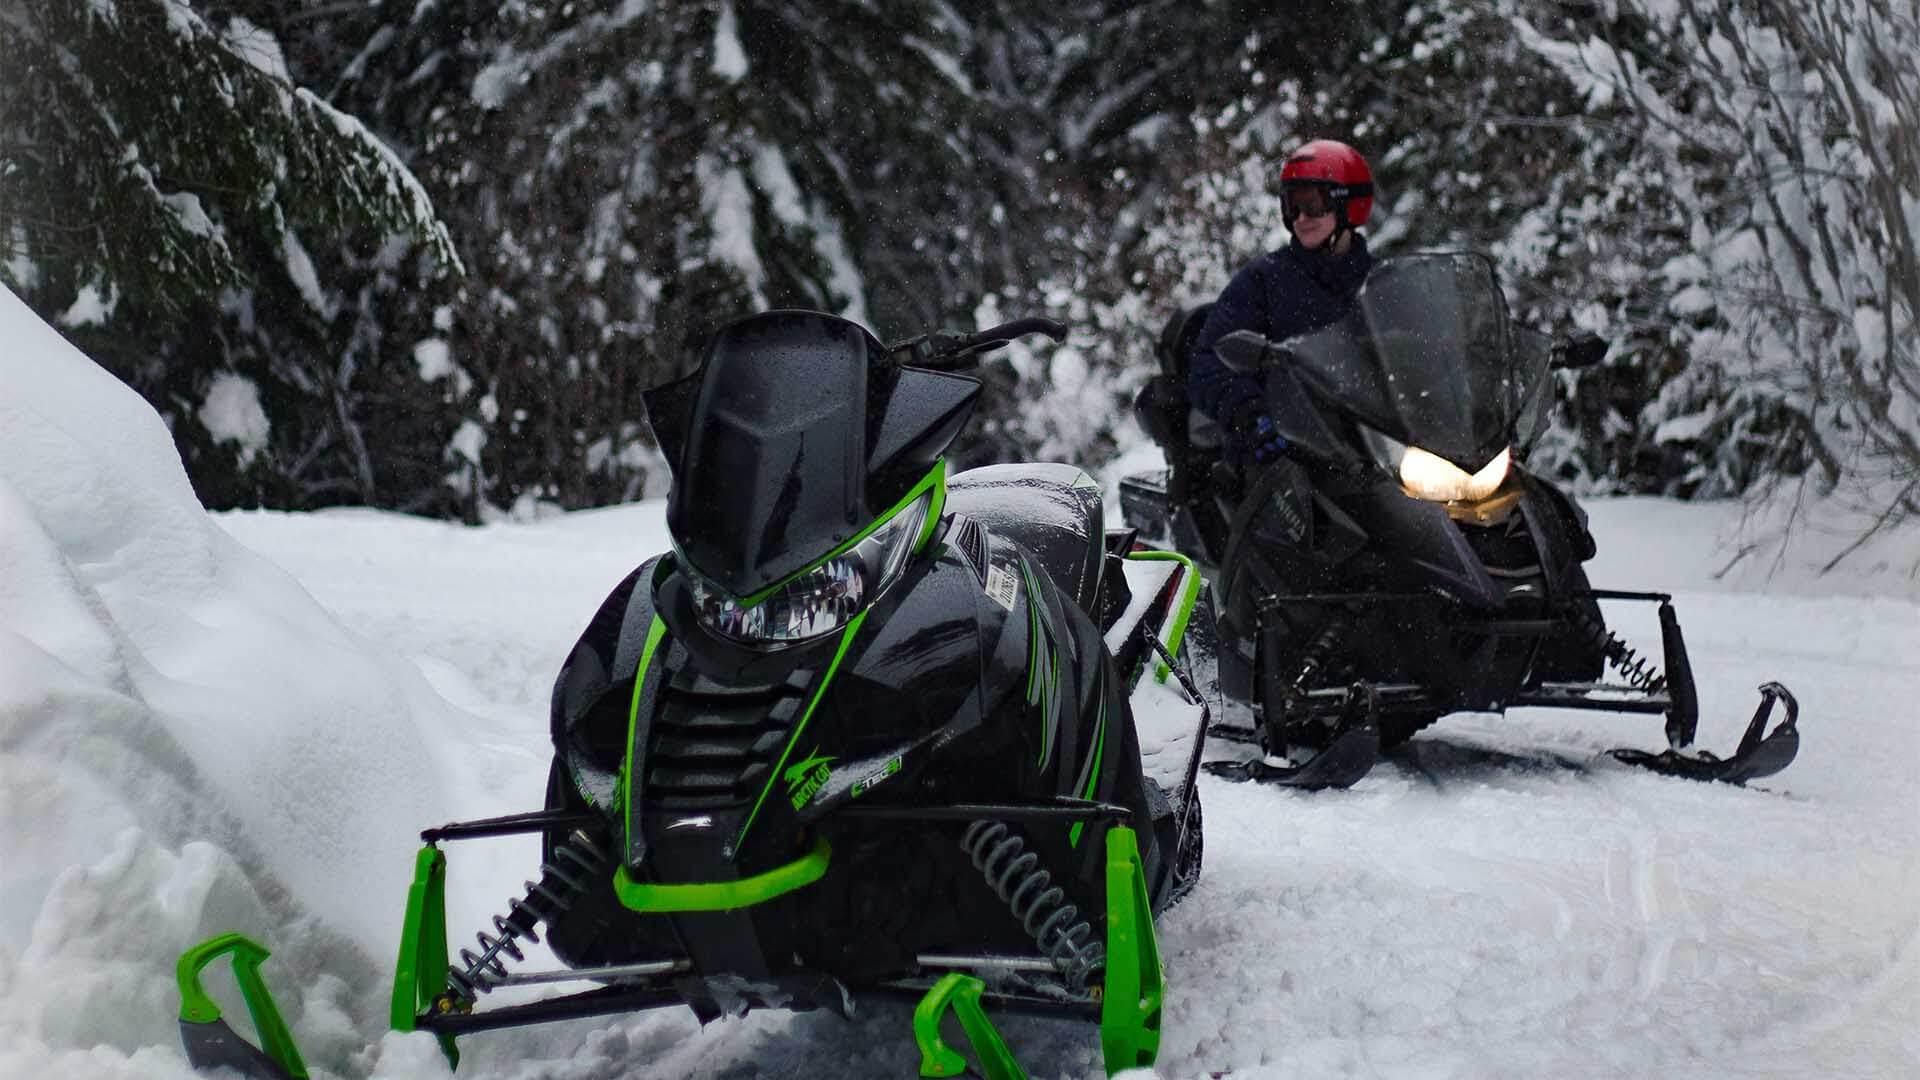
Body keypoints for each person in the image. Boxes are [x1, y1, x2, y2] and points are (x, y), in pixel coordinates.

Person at [1188, 138, 1376, 468]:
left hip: (1366, 447)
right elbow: (1209, 360)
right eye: (1292, 206)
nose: (1301, 217)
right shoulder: (1264, 280)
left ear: (1349, 205)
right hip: (1281, 452)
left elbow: (1417, 351)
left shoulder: (1378, 281)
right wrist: (1249, 414)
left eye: (1313, 204)